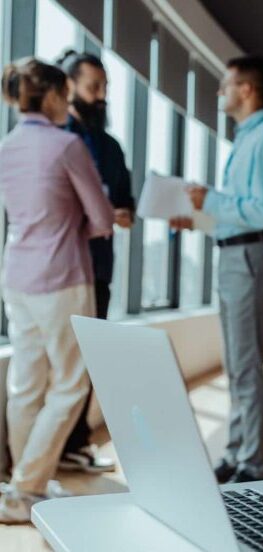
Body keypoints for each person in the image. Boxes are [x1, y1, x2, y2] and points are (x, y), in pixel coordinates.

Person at [0, 58, 114, 523]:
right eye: (65, 94)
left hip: (17, 277)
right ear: (49, 96)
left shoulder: (6, 145)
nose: (69, 102)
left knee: (26, 384)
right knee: (70, 384)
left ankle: (22, 490)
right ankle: (26, 487)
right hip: (63, 276)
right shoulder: (67, 145)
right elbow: (103, 219)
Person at [173, 56, 263, 485]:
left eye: (225, 85)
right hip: (234, 253)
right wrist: (201, 218)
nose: (220, 92)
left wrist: (213, 202)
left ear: (246, 89)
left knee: (245, 363)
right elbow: (244, 212)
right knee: (236, 363)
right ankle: (236, 452)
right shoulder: (247, 138)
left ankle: (252, 465)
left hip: (249, 258)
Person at [56, 50, 134, 475]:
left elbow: (127, 205)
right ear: (69, 87)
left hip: (99, 268)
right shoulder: (56, 139)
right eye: (94, 87)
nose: (101, 96)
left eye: (105, 88)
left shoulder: (110, 147)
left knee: (86, 359)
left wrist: (118, 214)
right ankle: (46, 450)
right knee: (55, 362)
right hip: (60, 269)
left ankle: (75, 444)